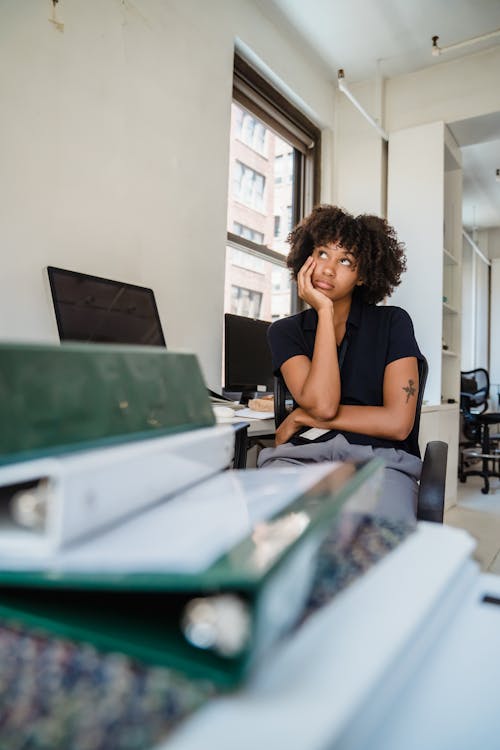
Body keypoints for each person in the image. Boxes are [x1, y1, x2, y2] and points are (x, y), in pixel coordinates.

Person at [257, 205, 423, 524]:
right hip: (300, 459)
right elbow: (324, 403)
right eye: (322, 253)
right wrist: (324, 313)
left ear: (362, 275)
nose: (329, 269)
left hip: (380, 462)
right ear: (306, 256)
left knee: (371, 542)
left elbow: (398, 423)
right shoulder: (284, 332)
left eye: (345, 260)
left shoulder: (393, 323)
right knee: (273, 536)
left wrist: (302, 416)